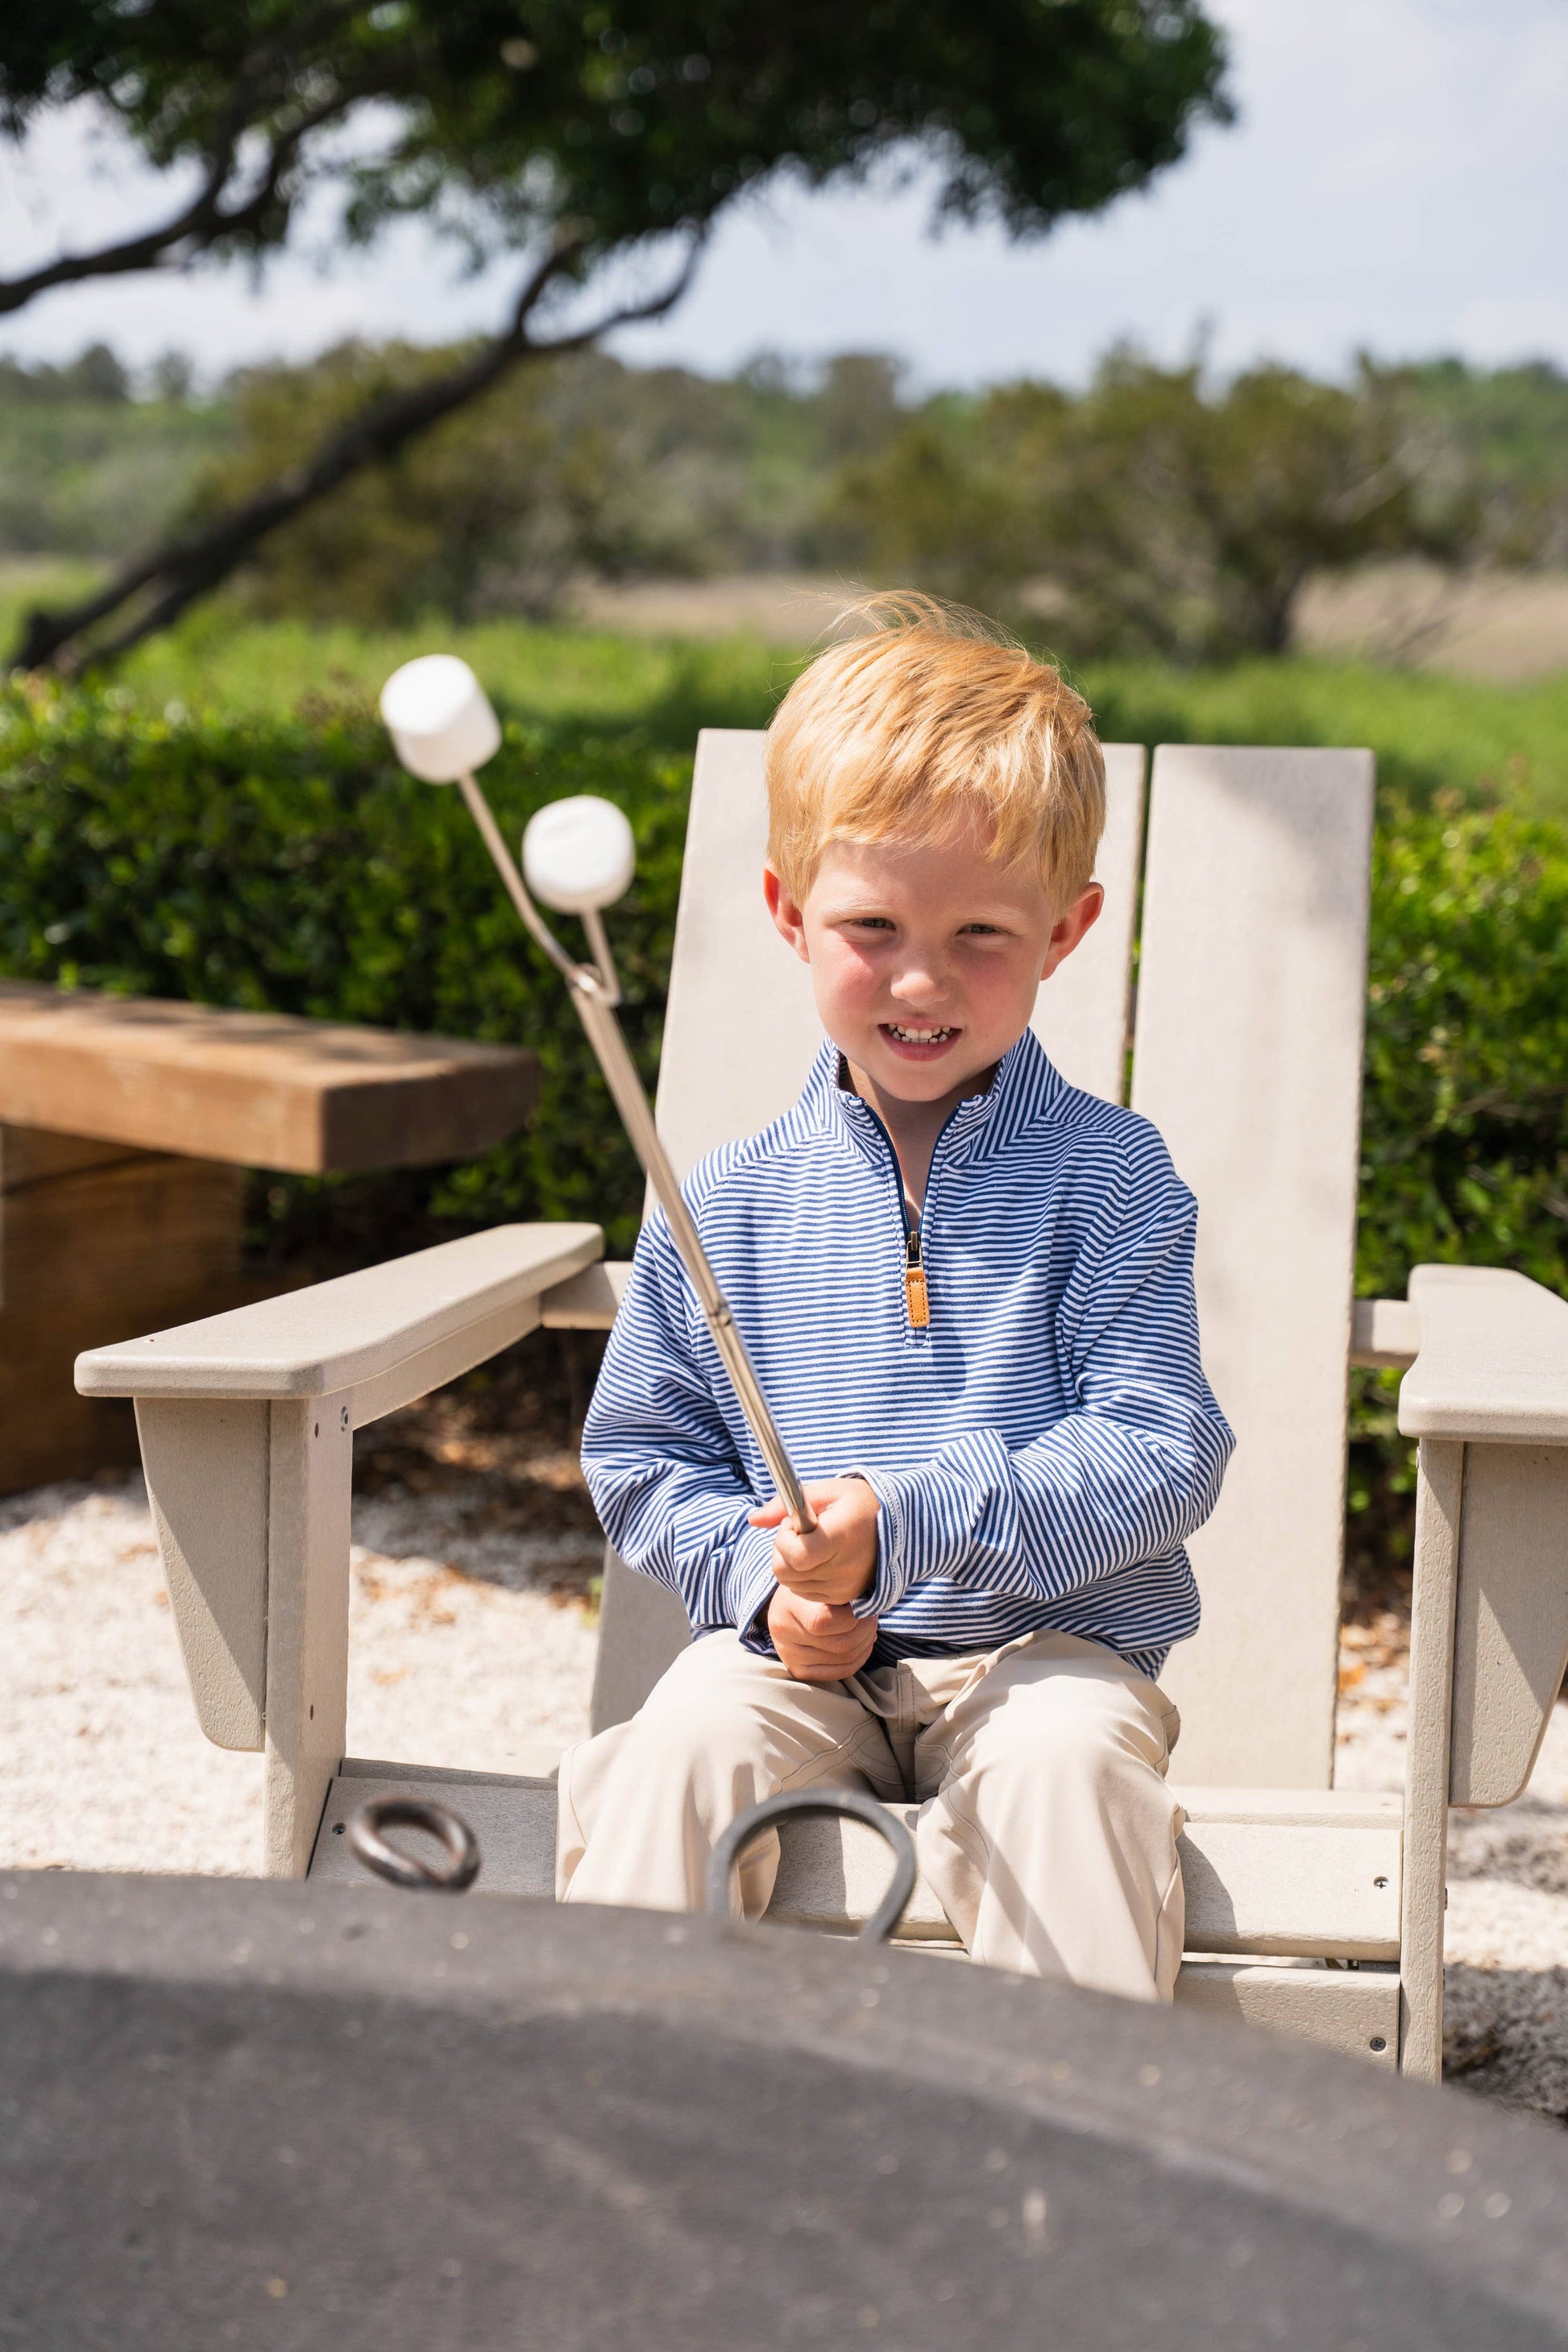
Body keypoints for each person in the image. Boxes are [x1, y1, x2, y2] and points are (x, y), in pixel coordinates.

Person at [556, 596, 1234, 2002]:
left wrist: (905, 1521)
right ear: (788, 913)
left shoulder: (1109, 1177)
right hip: (798, 1664)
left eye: (983, 932)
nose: (923, 980)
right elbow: (643, 1461)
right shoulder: (723, 1199)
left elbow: (1163, 1448)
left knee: (1062, 1776)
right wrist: (766, 1592)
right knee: (672, 1749)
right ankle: (609, 2127)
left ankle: (1072, 2157)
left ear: (1066, 931)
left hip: (1048, 1653)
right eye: (872, 926)